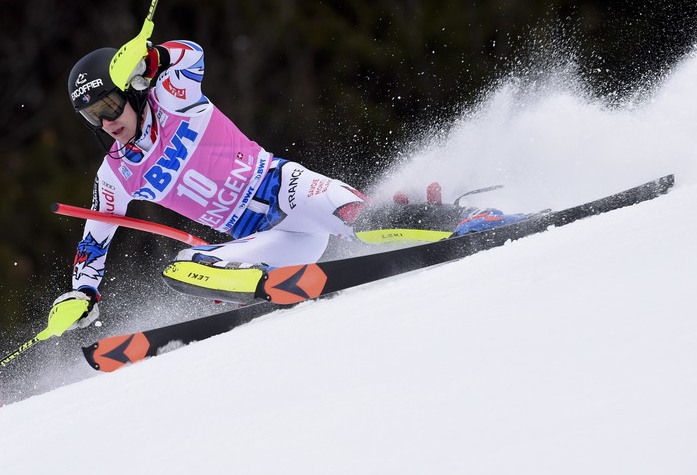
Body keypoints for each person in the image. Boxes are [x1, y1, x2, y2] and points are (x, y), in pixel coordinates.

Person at [51, 39, 527, 331]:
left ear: (130, 90)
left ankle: (467, 221)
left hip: (286, 189)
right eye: (94, 116)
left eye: (111, 106)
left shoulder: (172, 99)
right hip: (271, 240)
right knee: (181, 268)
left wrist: (153, 57)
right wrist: (81, 294)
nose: (107, 121)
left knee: (365, 221)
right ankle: (263, 288)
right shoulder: (114, 174)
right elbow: (95, 239)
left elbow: (191, 54)